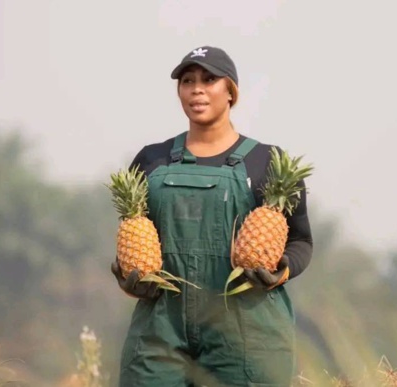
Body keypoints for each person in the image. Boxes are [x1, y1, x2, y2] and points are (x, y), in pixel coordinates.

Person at [110, 45, 314, 387]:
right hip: (160, 329)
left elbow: (301, 240)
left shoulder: (267, 162)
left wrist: (281, 271)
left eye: (209, 79)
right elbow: (133, 236)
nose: (197, 89)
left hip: (245, 330)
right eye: (187, 81)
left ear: (231, 91)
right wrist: (125, 276)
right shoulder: (152, 159)